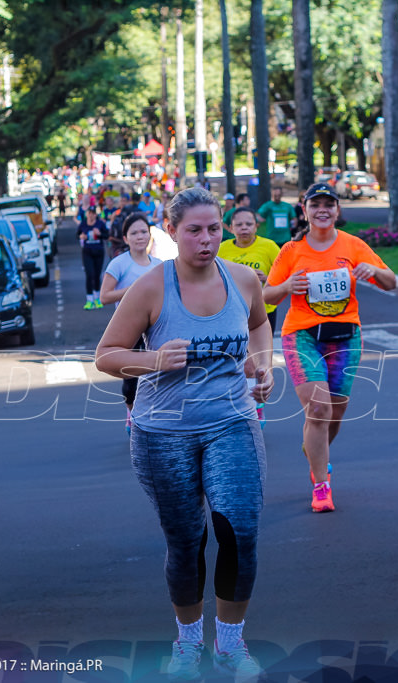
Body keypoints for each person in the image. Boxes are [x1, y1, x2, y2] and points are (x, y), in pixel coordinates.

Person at [95, 187, 273, 683]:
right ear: (170, 232)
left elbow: (259, 325)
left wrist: (262, 363)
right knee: (186, 541)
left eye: (214, 228)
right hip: (162, 432)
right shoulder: (152, 287)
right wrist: (152, 359)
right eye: (194, 230)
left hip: (233, 421)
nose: (207, 239)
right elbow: (106, 354)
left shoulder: (243, 279)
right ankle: (188, 642)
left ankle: (231, 645)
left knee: (239, 532)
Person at [264, 182, 397, 513]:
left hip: (345, 336)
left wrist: (375, 271)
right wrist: (286, 286)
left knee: (336, 409)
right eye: (315, 204)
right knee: (319, 408)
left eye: (329, 204)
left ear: (338, 210)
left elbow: (391, 281)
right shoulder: (291, 252)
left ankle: (315, 449)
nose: (322, 210)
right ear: (305, 210)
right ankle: (321, 484)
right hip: (302, 335)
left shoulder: (353, 245)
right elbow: (265, 296)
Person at [218, 208, 282, 427]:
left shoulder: (269, 247)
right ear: (230, 228)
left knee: (257, 363)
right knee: (239, 363)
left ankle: (258, 405)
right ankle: (238, 404)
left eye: (249, 224)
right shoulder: (222, 249)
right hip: (233, 315)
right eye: (239, 225)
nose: (244, 228)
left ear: (256, 226)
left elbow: (283, 276)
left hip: (263, 314)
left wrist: (268, 278)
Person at [100, 212, 163, 433]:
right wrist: (134, 291)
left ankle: (151, 417)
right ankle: (131, 412)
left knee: (157, 373)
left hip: (155, 328)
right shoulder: (119, 264)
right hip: (129, 329)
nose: (140, 237)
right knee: (131, 379)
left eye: (144, 232)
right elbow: (105, 296)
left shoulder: (158, 264)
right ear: (125, 238)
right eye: (134, 233)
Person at [76, 205, 107, 309]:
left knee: (97, 275)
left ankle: (97, 298)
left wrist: (99, 234)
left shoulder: (100, 223)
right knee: (90, 275)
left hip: (98, 252)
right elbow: (77, 235)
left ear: (95, 214)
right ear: (87, 214)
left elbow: (107, 235)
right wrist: (81, 236)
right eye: (89, 213)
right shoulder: (83, 224)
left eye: (93, 213)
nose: (91, 215)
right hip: (87, 252)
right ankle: (89, 300)